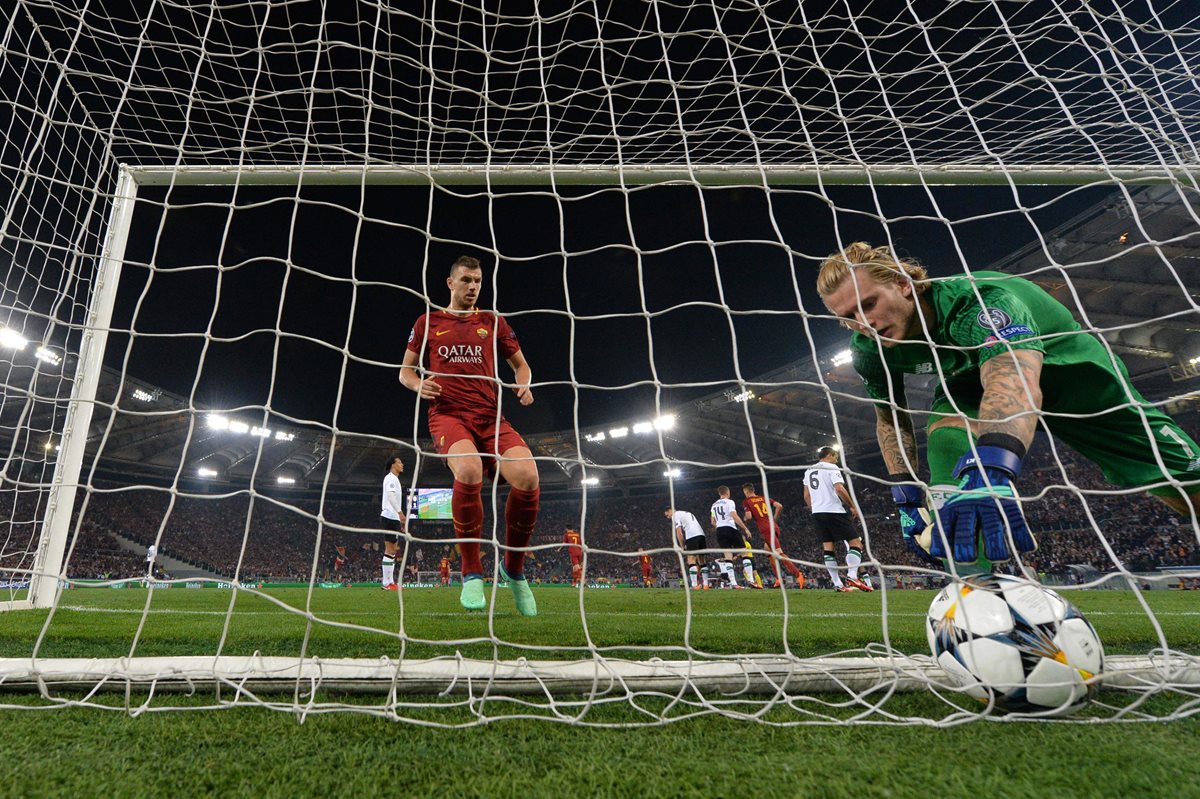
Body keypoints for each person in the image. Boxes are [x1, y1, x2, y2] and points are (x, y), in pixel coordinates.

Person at [818, 241, 1200, 566]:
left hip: (1076, 378)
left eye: (867, 304)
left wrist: (993, 465)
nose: (861, 323)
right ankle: (980, 591)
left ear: (902, 284)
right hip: (972, 383)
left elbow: (1014, 378)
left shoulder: (979, 301)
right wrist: (904, 495)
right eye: (847, 317)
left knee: (1188, 489)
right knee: (946, 439)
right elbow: (890, 418)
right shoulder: (869, 348)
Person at [400, 255, 540, 615]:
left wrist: (522, 385)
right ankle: (472, 572)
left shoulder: (492, 321)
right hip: (448, 416)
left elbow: (521, 365)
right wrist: (419, 385)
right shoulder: (428, 321)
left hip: (490, 417)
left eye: (478, 280)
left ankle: (514, 570)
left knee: (528, 476)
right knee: (470, 471)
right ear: (450, 283)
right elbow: (405, 371)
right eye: (466, 280)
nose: (473, 286)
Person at [803, 446, 871, 592]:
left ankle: (838, 584)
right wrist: (852, 506)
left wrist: (814, 509)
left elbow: (806, 496)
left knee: (828, 548)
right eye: (836, 457)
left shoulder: (808, 471)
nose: (837, 460)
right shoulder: (831, 468)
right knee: (856, 543)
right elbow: (839, 489)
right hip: (834, 510)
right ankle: (852, 575)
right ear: (830, 455)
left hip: (817, 512)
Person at [742, 483, 805, 587]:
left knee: (779, 553)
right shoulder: (764, 498)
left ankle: (798, 574)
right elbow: (779, 506)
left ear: (747, 492)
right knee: (767, 550)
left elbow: (748, 517)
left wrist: (744, 520)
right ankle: (778, 579)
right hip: (773, 526)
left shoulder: (747, 501)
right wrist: (774, 519)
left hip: (765, 528)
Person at [710, 485, 756, 588]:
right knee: (745, 552)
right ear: (728, 492)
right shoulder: (729, 502)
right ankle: (751, 580)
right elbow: (734, 516)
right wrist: (745, 528)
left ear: (719, 493)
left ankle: (734, 584)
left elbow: (713, 522)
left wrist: (720, 525)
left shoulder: (714, 505)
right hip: (730, 528)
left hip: (720, 530)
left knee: (728, 556)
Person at [379, 455, 407, 590]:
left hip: (392, 517)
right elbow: (390, 496)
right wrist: (400, 513)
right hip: (389, 516)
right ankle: (386, 583)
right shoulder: (390, 478)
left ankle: (390, 582)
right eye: (400, 462)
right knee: (390, 550)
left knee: (393, 550)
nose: (402, 464)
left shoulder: (394, 479)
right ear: (393, 465)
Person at [665, 507, 710, 589]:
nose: (668, 517)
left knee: (691, 560)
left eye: (667, 515)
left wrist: (682, 547)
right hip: (701, 535)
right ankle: (706, 585)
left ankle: (694, 585)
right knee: (702, 560)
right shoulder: (687, 512)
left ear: (670, 510)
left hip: (692, 536)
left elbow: (679, 533)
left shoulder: (675, 515)